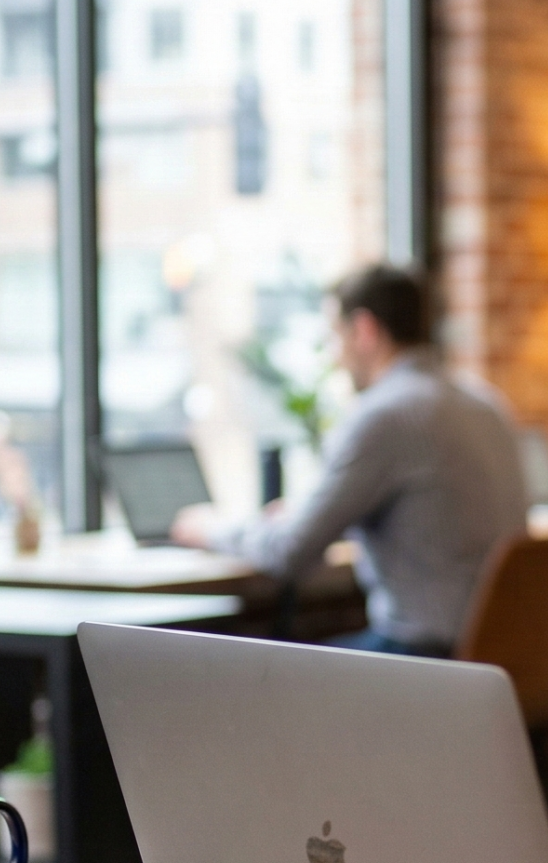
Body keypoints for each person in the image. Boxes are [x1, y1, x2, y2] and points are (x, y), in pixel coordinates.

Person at [171, 264, 526, 657]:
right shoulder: (486, 405)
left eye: (335, 336)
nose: (335, 356)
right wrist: (310, 514)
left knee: (265, 683)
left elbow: (291, 552)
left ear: (365, 330)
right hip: (504, 654)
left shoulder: (385, 415)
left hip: (424, 659)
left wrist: (211, 528)